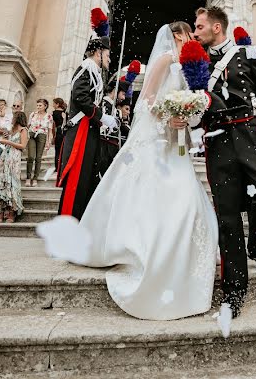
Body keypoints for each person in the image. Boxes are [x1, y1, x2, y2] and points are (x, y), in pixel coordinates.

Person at [70, 23, 219, 321]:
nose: (192, 37)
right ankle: (144, 247)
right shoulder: (165, 58)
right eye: (189, 32)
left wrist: (188, 116)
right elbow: (147, 99)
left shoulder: (191, 66)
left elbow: (194, 100)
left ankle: (181, 255)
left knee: (186, 193)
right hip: (158, 137)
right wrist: (169, 115)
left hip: (177, 141)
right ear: (178, 34)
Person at [190, 7, 256, 318]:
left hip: (249, 133)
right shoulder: (198, 61)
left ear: (217, 27)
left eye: (200, 26)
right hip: (217, 139)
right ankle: (235, 289)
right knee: (227, 217)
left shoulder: (248, 55)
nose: (195, 31)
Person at [58, 8, 118, 219]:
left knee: (87, 178)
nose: (109, 59)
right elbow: (81, 98)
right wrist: (101, 116)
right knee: (77, 179)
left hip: (90, 129)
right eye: (108, 54)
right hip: (81, 130)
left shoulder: (94, 72)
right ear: (98, 52)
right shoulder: (87, 68)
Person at [0, 111, 27, 223]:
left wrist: (7, 141)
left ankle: (12, 212)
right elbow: (6, 142)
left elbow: (23, 146)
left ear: (17, 118)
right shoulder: (12, 130)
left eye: (13, 117)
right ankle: (1, 211)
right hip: (5, 156)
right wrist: (5, 138)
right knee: (2, 182)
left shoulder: (23, 130)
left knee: (12, 183)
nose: (11, 119)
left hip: (14, 158)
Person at [26, 99, 52, 187]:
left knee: (38, 158)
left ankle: (35, 178)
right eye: (37, 105)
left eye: (40, 105)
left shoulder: (49, 116)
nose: (38, 107)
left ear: (45, 106)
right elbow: (28, 126)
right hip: (31, 134)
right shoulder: (33, 114)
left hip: (42, 135)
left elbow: (50, 130)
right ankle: (28, 178)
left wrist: (48, 142)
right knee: (30, 157)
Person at [51, 97, 67, 163]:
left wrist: (53, 136)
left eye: (53, 104)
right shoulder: (66, 112)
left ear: (57, 104)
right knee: (64, 149)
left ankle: (57, 166)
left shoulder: (54, 113)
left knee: (57, 150)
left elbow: (53, 126)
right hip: (66, 131)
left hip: (58, 131)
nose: (53, 105)